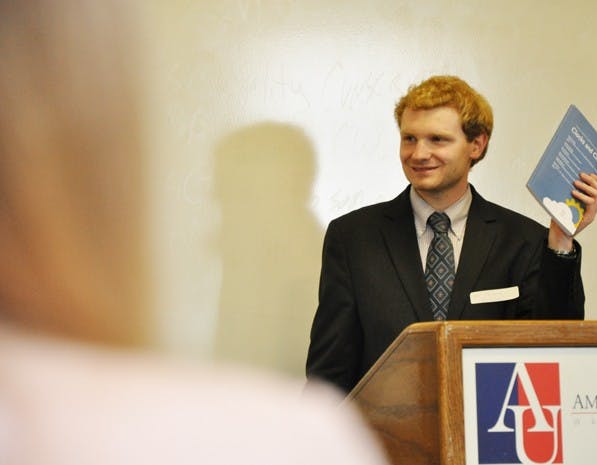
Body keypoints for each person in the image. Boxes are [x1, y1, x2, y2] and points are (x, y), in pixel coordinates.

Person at [0, 1, 389, 464]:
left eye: (235, 190)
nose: (224, 206)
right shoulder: (242, 256)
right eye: (225, 190)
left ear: (287, 185)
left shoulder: (324, 262)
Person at [306, 75, 597, 393]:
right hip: (384, 438)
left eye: (437, 139)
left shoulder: (525, 241)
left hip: (492, 435)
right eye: (409, 139)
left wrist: (561, 239)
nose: (418, 154)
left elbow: (554, 351)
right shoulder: (353, 238)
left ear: (477, 144)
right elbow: (329, 374)